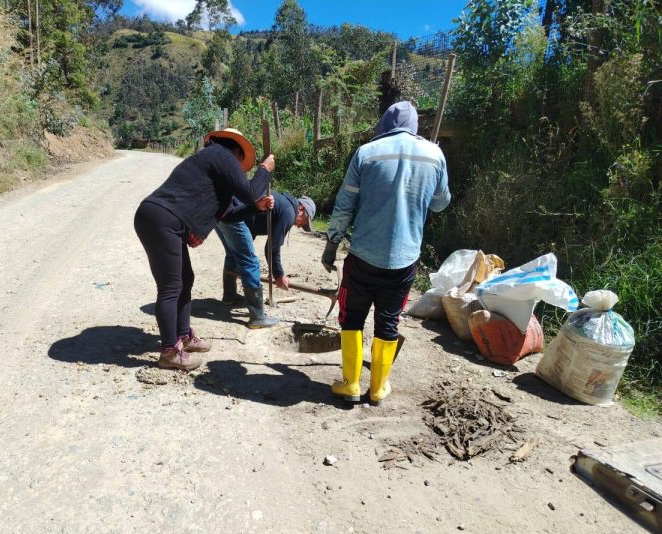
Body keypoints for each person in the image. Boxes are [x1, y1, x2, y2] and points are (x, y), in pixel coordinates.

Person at [321, 101, 451, 405]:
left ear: (383, 125)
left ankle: (351, 384)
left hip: (364, 256)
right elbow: (441, 203)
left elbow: (344, 206)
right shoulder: (435, 155)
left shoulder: (366, 153)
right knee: (389, 320)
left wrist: (331, 245)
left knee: (351, 317)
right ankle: (378, 389)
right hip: (404, 260)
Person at [134, 128, 275, 371]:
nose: (241, 168)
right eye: (242, 163)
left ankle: (184, 336)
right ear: (236, 152)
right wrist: (265, 169)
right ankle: (169, 351)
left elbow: (228, 215)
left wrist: (256, 208)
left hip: (164, 219)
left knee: (186, 279)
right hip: (162, 219)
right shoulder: (221, 156)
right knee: (171, 287)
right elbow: (251, 191)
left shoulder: (214, 167)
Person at [216, 192, 316, 326]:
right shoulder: (289, 212)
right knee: (251, 262)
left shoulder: (283, 206)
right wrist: (279, 275)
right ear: (301, 209)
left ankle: (229, 296)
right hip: (233, 214)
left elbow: (253, 224)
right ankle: (257, 317)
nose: (299, 226)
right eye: (304, 221)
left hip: (222, 210)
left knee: (234, 254)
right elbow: (272, 248)